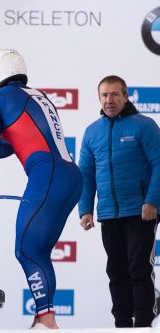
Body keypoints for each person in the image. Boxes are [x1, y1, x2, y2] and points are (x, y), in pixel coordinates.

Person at [0, 49, 82, 329]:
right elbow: (27, 138)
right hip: (70, 176)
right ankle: (45, 318)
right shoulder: (38, 94)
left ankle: (46, 320)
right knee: (37, 251)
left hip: (48, 176)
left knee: (27, 250)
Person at [78, 75, 159, 328]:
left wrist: (152, 201)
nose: (109, 100)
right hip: (109, 213)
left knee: (138, 268)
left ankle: (143, 323)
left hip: (141, 211)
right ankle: (122, 324)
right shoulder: (92, 132)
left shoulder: (144, 126)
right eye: (104, 95)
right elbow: (86, 174)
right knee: (116, 271)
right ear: (99, 98)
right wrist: (85, 210)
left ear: (126, 97)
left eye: (115, 94)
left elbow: (159, 164)